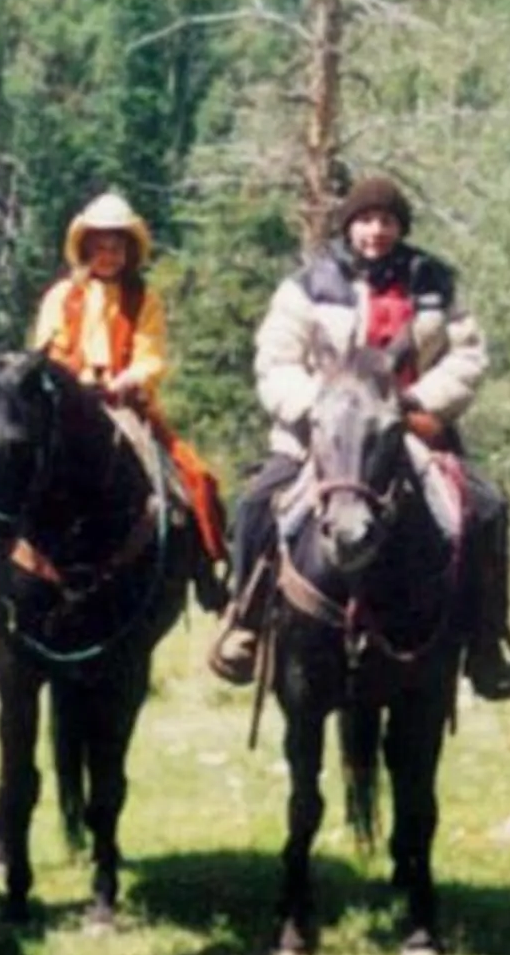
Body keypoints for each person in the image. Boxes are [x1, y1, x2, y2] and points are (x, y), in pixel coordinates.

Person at [208, 175, 493, 685]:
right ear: (349, 225)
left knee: (487, 506)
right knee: (255, 502)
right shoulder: (309, 285)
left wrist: (419, 402)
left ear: (400, 227)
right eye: (366, 220)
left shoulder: (434, 283)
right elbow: (276, 359)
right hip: (322, 431)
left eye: (387, 221)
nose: (376, 231)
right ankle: (245, 620)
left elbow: (467, 356)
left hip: (410, 425)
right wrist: (318, 408)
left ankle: (487, 636)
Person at [28, 192, 228, 610]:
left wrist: (125, 381)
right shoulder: (62, 295)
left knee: (196, 478)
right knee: (8, 464)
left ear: (129, 250)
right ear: (85, 248)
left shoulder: (144, 299)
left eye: (116, 246)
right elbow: (48, 350)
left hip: (126, 404)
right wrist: (73, 382)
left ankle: (204, 569)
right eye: (99, 245)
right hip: (65, 405)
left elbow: (151, 354)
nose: (108, 254)